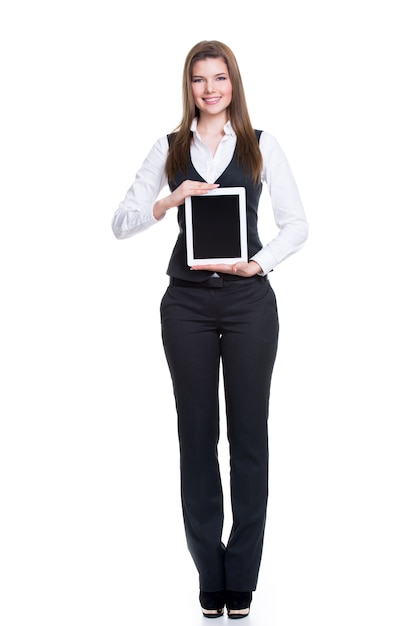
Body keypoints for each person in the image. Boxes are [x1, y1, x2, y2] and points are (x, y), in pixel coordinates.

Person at [112, 40, 308, 619]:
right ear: (188, 87)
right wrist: (170, 199)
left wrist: (260, 262)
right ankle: (210, 574)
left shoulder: (261, 146)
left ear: (233, 83)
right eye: (199, 80)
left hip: (249, 302)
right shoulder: (169, 148)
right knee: (196, 441)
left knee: (249, 440)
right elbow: (120, 222)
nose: (210, 89)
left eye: (219, 77)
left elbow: (297, 225)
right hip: (187, 308)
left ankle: (241, 576)